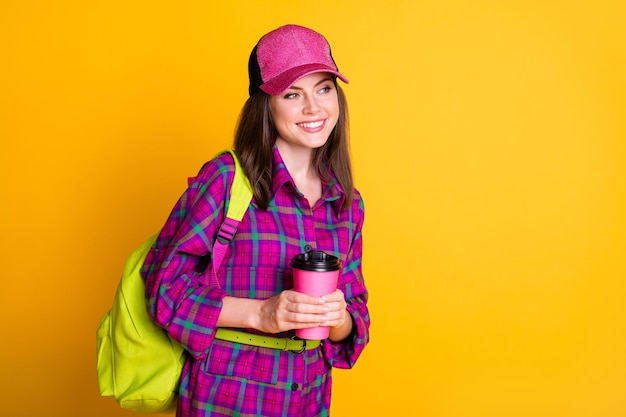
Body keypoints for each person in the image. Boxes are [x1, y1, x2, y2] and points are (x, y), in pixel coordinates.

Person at [142, 24, 370, 417]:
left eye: (324, 88)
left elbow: (356, 316)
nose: (314, 108)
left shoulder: (345, 202)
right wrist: (260, 314)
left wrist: (339, 318)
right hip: (227, 395)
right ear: (265, 104)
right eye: (292, 94)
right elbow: (163, 288)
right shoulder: (227, 180)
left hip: (308, 396)